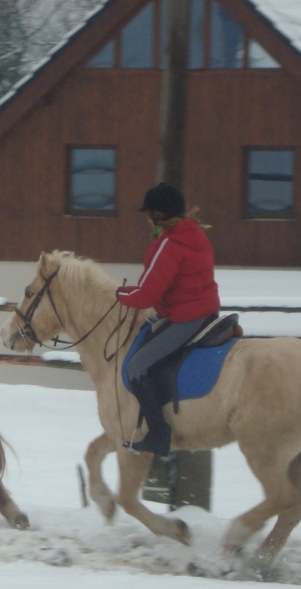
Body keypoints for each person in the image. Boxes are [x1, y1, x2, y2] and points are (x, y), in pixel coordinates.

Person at [116, 182, 220, 457]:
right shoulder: (195, 234)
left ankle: (160, 434)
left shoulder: (171, 245)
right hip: (204, 311)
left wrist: (118, 295)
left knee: (136, 366)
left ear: (159, 214)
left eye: (150, 213)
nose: (148, 218)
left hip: (186, 318)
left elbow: (146, 295)